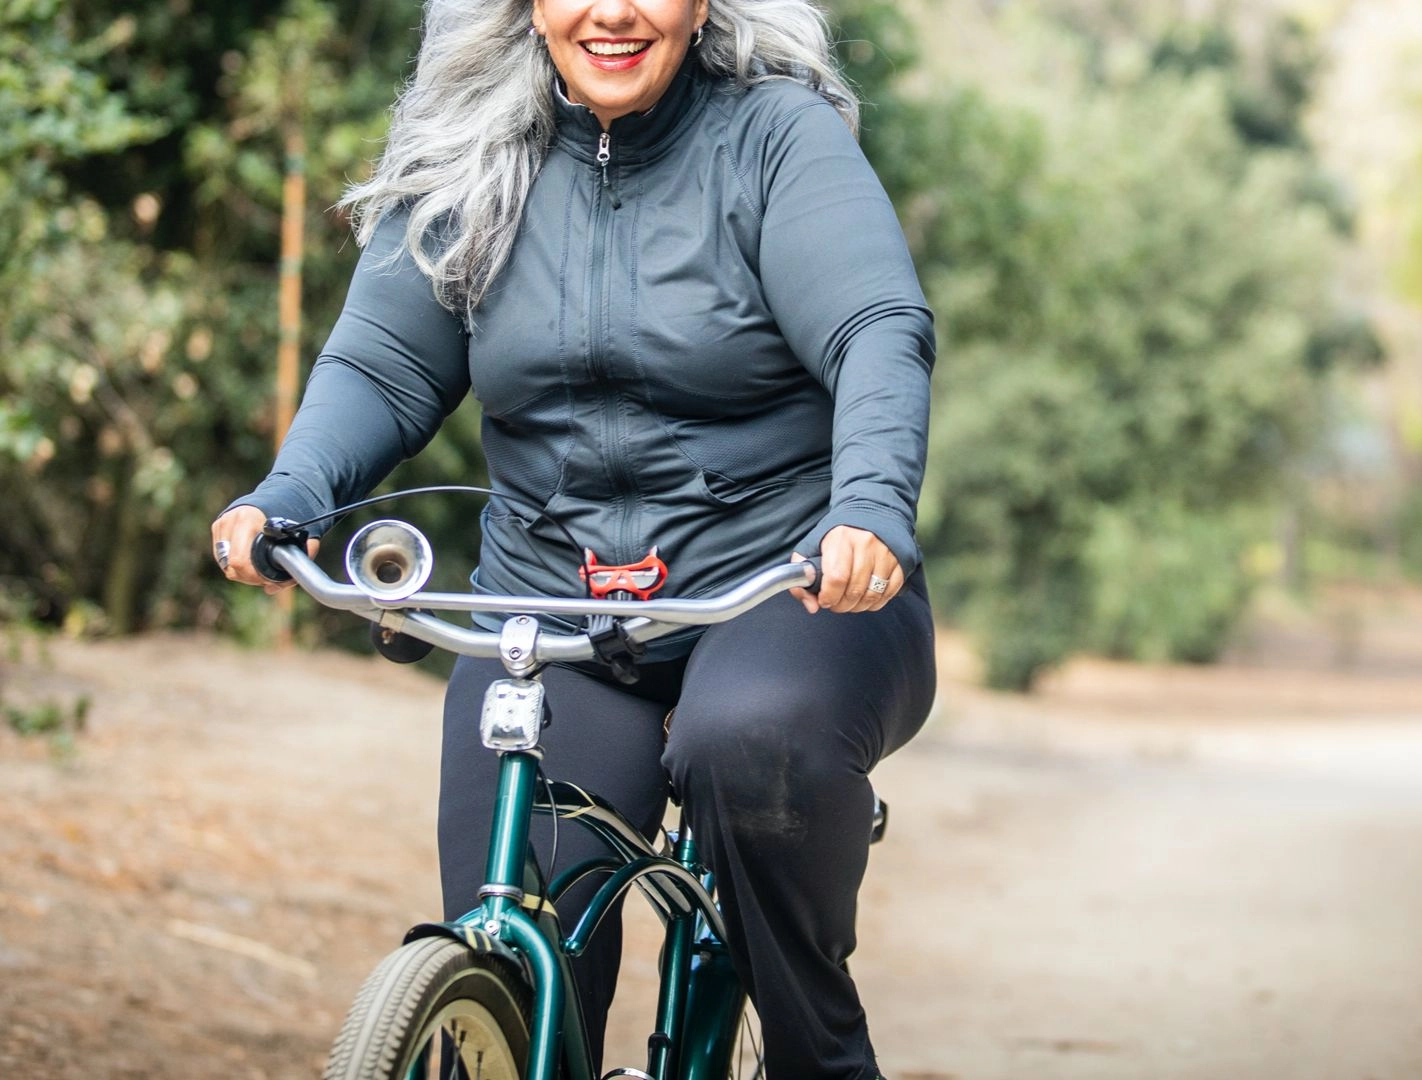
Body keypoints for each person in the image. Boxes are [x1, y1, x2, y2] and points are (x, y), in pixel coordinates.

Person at [208, 0, 936, 1076]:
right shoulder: (474, 146)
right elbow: (383, 367)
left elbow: (875, 326)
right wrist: (290, 493)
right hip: (554, 615)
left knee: (747, 742)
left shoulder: (777, 137)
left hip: (791, 592)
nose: (612, 11)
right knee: (515, 954)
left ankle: (815, 1053)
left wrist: (868, 509)